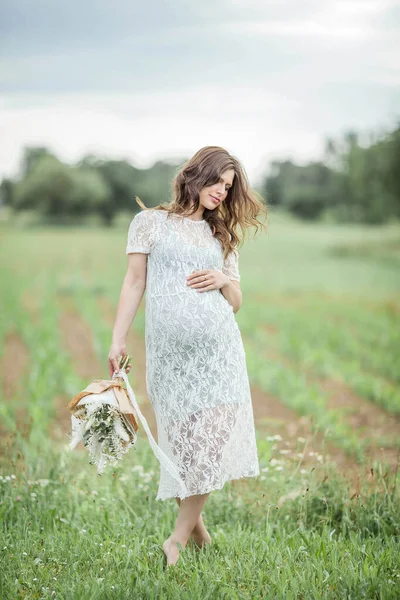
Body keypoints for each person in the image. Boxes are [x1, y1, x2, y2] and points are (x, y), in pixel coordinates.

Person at [108, 145, 267, 566]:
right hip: (169, 358)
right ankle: (200, 536)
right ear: (195, 175)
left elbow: (236, 300)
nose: (221, 192)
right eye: (217, 181)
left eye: (228, 187)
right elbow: (133, 283)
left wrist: (221, 278)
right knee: (181, 449)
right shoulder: (149, 224)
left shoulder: (221, 236)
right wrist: (117, 339)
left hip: (219, 353)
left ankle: (175, 541)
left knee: (209, 445)